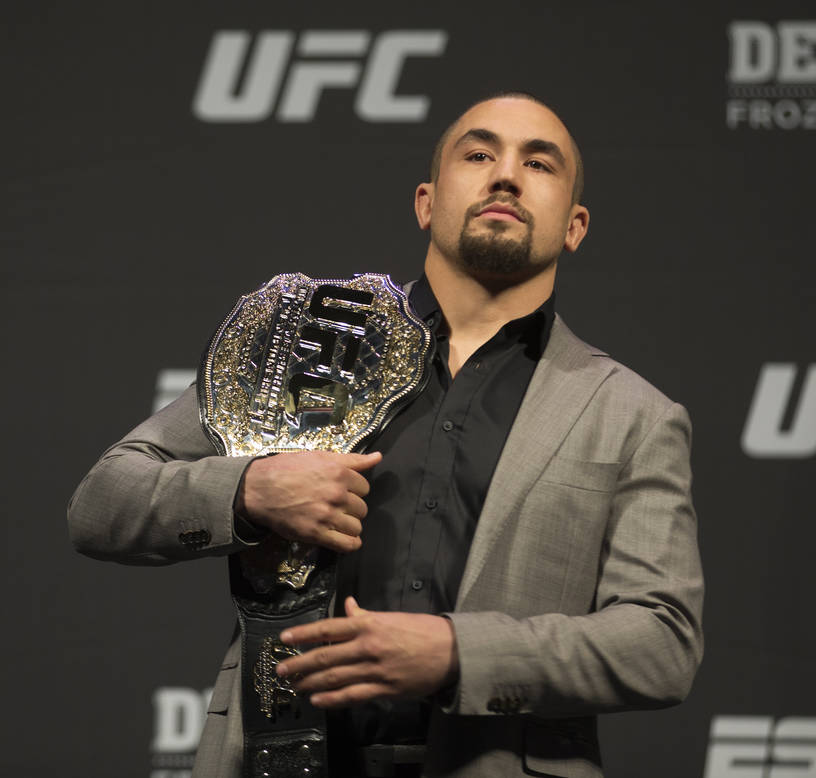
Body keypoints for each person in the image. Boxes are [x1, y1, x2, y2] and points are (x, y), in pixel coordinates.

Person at [69, 93, 704, 778]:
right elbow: (103, 502)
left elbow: (662, 642)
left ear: (575, 226)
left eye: (539, 164)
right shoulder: (312, 344)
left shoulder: (632, 413)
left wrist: (458, 653)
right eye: (480, 153)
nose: (506, 176)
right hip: (277, 758)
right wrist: (251, 490)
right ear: (426, 203)